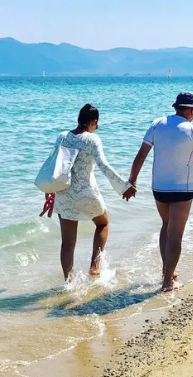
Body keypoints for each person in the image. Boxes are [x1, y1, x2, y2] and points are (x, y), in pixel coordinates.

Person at [128, 92, 193, 292]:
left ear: (176, 107)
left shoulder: (157, 124)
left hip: (159, 188)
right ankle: (168, 282)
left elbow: (141, 155)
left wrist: (132, 180)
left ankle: (167, 271)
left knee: (166, 225)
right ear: (191, 110)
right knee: (176, 234)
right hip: (182, 190)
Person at [48, 104, 136, 281]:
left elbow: (53, 165)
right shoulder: (92, 139)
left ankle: (69, 282)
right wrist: (125, 186)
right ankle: (94, 267)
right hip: (86, 193)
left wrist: (49, 191)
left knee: (67, 243)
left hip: (64, 193)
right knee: (103, 224)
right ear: (93, 122)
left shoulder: (62, 136)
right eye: (97, 124)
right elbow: (103, 165)